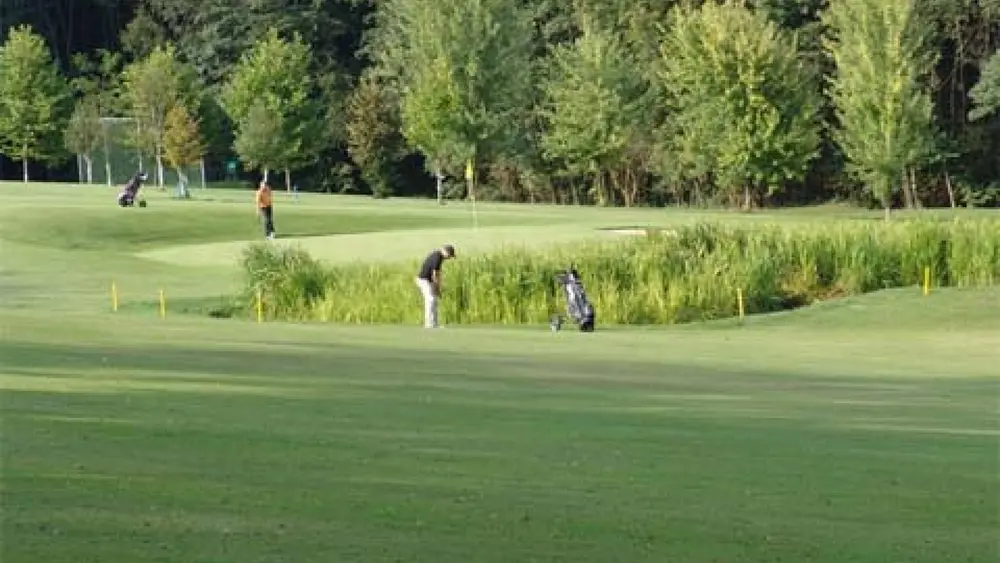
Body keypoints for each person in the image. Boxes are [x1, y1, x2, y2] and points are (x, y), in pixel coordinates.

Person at [415, 244, 456, 328]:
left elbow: (437, 275)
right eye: (449, 255)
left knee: (434, 300)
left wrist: (437, 289)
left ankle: (434, 324)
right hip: (423, 280)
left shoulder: (439, 256)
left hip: (427, 280)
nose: (449, 258)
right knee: (430, 299)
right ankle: (429, 324)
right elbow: (434, 275)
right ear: (446, 252)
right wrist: (436, 288)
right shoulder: (437, 257)